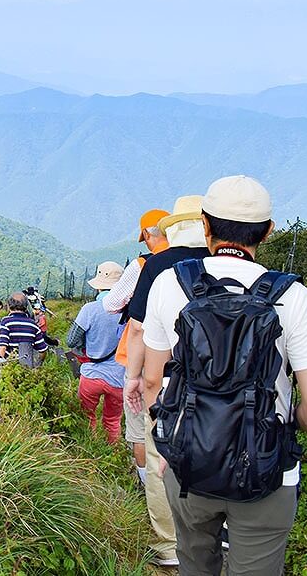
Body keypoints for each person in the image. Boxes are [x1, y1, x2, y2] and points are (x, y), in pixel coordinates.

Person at [142, 176, 307, 575]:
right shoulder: (292, 297)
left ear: (206, 225)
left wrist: (165, 449)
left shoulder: (169, 283)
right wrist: (284, 426)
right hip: (266, 469)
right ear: (268, 231)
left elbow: (151, 383)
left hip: (189, 462)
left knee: (196, 565)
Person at [122, 195, 210, 569]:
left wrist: (135, 378)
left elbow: (139, 328)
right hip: (225, 384)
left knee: (162, 461)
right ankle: (213, 537)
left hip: (171, 381)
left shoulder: (159, 265)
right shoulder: (223, 261)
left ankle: (170, 547)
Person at [103, 209, 170, 488]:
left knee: (141, 425)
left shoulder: (144, 264)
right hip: (184, 354)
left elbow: (111, 304)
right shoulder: (194, 260)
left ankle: (148, 485)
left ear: (145, 235)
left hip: (143, 355)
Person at [66, 262, 127, 442]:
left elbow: (71, 340)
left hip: (91, 373)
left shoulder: (90, 309)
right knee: (113, 420)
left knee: (86, 417)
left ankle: (89, 452)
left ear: (99, 286)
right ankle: (113, 455)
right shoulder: (129, 310)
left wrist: (84, 351)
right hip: (119, 377)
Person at [0, 293, 47, 367]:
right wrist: (38, 364)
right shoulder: (33, 324)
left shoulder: (6, 322)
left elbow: (2, 346)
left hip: (9, 367)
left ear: (9, 306)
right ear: (26, 306)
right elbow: (43, 350)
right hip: (27, 367)